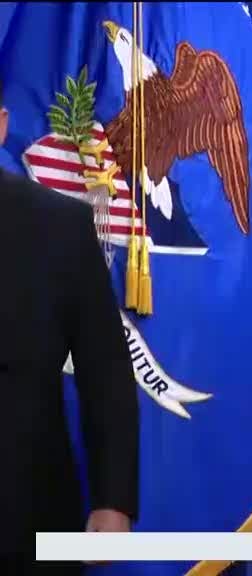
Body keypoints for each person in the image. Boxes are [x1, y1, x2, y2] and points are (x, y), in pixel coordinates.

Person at [0, 83, 139, 573]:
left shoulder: (60, 227)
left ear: (1, 127)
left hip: (27, 518)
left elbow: (106, 374)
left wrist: (113, 501)